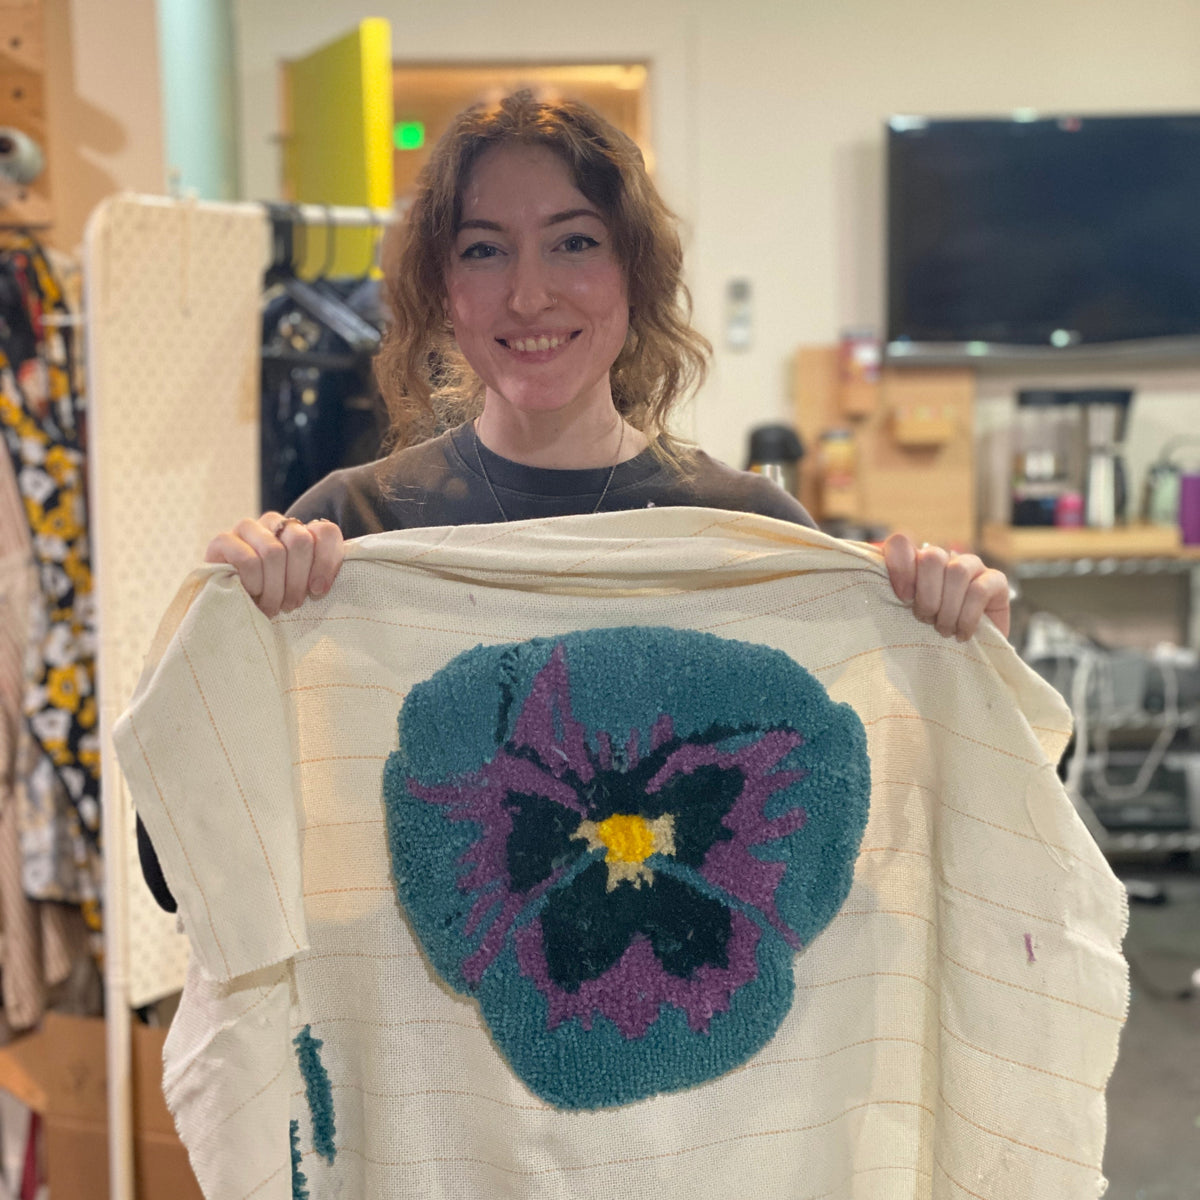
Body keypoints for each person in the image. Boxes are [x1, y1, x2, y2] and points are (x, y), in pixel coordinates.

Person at [138, 90, 1010, 912]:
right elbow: (182, 871)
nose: (528, 294)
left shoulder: (743, 541)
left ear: (635, 271)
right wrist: (233, 640)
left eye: (574, 242)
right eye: (484, 249)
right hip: (419, 1069)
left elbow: (904, 841)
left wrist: (964, 652)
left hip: (688, 1047)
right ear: (444, 289)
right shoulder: (355, 530)